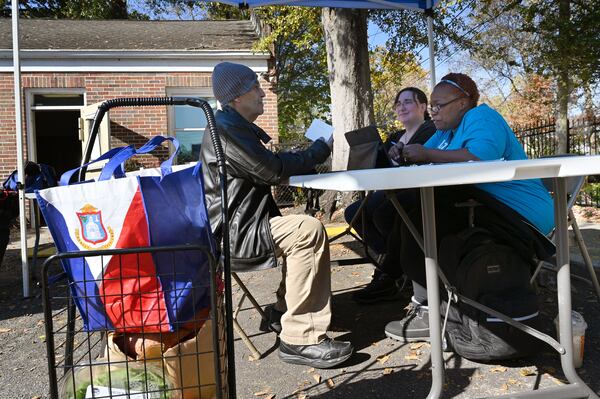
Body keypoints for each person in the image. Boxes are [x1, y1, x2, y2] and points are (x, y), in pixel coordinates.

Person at [200, 62, 353, 368]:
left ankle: (284, 309)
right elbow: (271, 169)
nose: (263, 93)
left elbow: (271, 162)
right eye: (255, 87)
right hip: (236, 234)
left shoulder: (232, 127)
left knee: (302, 228)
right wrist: (320, 150)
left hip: (243, 225)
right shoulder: (225, 130)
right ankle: (300, 338)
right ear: (237, 97)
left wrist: (311, 153)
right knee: (306, 230)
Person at [383, 73, 554, 342]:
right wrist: (404, 152)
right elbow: (420, 152)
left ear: (462, 103)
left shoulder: (481, 117)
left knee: (415, 211)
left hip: (520, 213)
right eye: (433, 106)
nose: (433, 113)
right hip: (486, 205)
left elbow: (479, 159)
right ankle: (421, 292)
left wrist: (426, 154)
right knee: (399, 206)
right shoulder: (444, 133)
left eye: (439, 105)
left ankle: (427, 306)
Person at [344, 87, 436, 304]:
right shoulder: (394, 137)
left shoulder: (431, 131)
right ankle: (393, 262)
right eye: (398, 103)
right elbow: (381, 165)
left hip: (417, 190)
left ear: (422, 106)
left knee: (383, 213)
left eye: (407, 102)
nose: (401, 107)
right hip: (390, 189)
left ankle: (389, 273)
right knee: (354, 212)